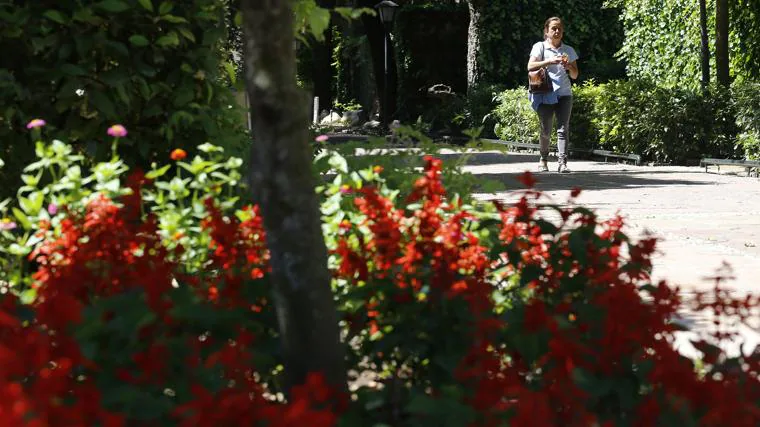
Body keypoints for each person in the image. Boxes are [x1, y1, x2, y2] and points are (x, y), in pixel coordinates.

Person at [527, 17, 579, 173]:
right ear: (546, 31)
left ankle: (563, 163)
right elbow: (530, 66)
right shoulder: (540, 47)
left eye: (560, 29)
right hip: (545, 94)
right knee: (546, 130)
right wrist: (549, 61)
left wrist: (569, 65)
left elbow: (575, 75)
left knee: (563, 129)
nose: (557, 31)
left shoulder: (569, 50)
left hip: (564, 94)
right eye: (553, 28)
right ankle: (543, 159)